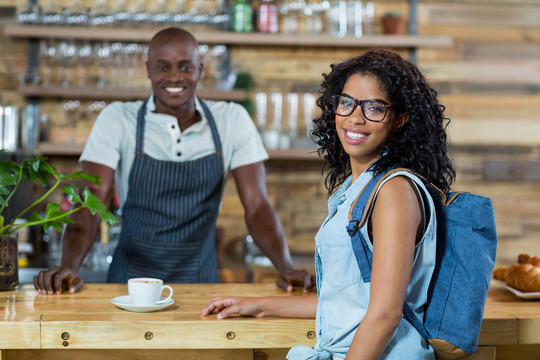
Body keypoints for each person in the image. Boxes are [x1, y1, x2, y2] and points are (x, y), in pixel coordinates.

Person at [201, 48, 456, 360]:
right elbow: (347, 302)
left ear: (400, 119)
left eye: (374, 108)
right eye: (346, 103)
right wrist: (258, 304)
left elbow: (385, 315)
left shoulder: (394, 191)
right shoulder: (358, 188)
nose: (355, 118)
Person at [33, 27, 314, 295]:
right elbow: (93, 196)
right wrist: (69, 266)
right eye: (163, 67)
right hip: (128, 285)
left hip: (200, 285)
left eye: (185, 66)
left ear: (200, 70)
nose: (174, 77)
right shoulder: (118, 119)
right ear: (148, 70)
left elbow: (257, 205)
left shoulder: (231, 120)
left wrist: (285, 266)